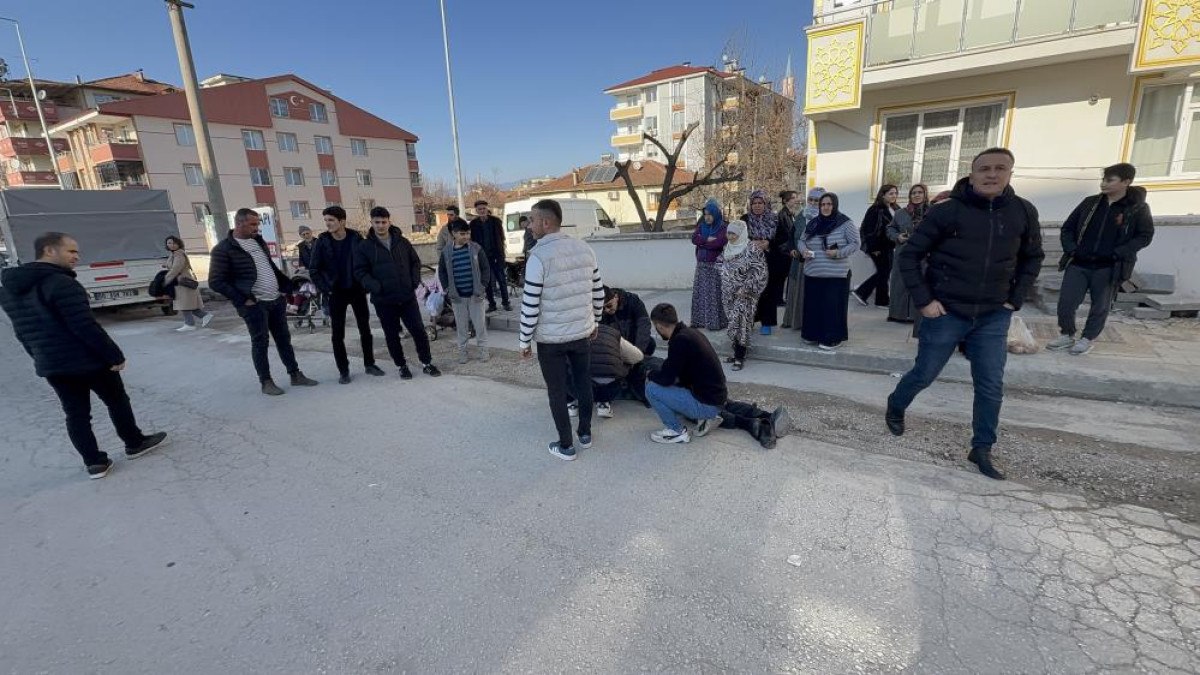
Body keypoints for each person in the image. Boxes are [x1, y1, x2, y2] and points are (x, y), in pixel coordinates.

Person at [887, 147, 1045, 481]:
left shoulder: (1022, 212)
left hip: (993, 314)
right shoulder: (947, 212)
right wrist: (925, 301)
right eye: (984, 168)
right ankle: (897, 404)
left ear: (1010, 174)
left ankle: (982, 447)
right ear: (971, 174)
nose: (992, 174)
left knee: (990, 384)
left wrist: (1014, 299)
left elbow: (1032, 258)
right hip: (946, 311)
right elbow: (909, 256)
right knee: (925, 373)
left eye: (1000, 168)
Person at [0, 232, 168, 479]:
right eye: (71, 251)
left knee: (76, 413)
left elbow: (22, 332)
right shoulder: (62, 283)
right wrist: (114, 356)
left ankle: (95, 463)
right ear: (49, 250)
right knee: (116, 400)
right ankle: (134, 443)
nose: (77, 257)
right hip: (88, 360)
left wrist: (39, 358)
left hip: (52, 364)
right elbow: (84, 326)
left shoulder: (9, 290)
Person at [519, 198, 605, 461]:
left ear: (546, 223)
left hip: (551, 340)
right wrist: (596, 322)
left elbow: (530, 303)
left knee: (556, 391)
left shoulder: (538, 257)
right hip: (581, 333)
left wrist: (524, 340)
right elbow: (598, 293)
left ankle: (566, 445)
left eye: (532, 220)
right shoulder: (585, 249)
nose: (529, 225)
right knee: (583, 383)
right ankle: (585, 434)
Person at [210, 208, 319, 395]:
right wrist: (243, 299)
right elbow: (216, 281)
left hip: (275, 300)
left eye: (258, 223)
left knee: (284, 339)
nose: (257, 227)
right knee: (260, 342)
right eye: (253, 224)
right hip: (254, 305)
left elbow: (269, 268)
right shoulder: (223, 249)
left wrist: (286, 287)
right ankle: (266, 382)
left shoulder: (258, 241)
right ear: (239, 223)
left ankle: (295, 374)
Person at [1049, 162, 1154, 356]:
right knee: (1066, 302)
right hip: (1079, 263)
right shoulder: (1090, 203)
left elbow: (1145, 236)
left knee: (1100, 306)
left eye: (1110, 180)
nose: (1104, 184)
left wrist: (1119, 252)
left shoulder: (1137, 208)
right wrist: (1072, 250)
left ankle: (1087, 338)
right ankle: (1067, 334)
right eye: (1103, 179)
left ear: (1126, 182)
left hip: (1109, 266)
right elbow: (1068, 228)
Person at [354, 206, 442, 379]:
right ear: (371, 223)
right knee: (392, 335)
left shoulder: (402, 242)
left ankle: (427, 363)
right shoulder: (364, 246)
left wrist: (413, 282)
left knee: (418, 331)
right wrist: (375, 286)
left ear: (389, 222)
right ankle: (402, 366)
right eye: (377, 222)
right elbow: (360, 271)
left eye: (383, 222)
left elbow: (415, 263)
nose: (380, 225)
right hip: (384, 300)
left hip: (407, 297)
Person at [308, 205, 384, 384]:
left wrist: (366, 285)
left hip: (356, 290)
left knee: (365, 329)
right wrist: (326, 288)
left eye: (331, 220)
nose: (328, 224)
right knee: (337, 334)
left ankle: (370, 364)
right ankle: (343, 370)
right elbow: (314, 269)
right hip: (336, 293)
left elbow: (367, 262)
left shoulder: (355, 238)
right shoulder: (322, 241)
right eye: (326, 220)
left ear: (342, 221)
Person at [797, 193, 860, 352]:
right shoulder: (813, 223)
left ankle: (833, 338)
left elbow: (855, 243)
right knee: (814, 306)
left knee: (832, 307)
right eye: (823, 204)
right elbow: (801, 240)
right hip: (813, 272)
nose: (825, 207)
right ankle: (813, 334)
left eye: (829, 204)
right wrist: (803, 251)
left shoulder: (845, 223)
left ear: (835, 205)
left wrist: (838, 253)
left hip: (836, 274)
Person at [437, 219, 491, 363]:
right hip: (458, 298)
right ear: (454, 234)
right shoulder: (446, 252)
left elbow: (486, 269)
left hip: (475, 296)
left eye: (468, 233)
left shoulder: (476, 248)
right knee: (461, 327)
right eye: (462, 234)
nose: (466, 237)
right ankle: (463, 352)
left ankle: (483, 351)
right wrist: (447, 289)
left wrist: (483, 286)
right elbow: (442, 271)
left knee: (480, 326)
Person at [719, 220, 768, 370]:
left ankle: (740, 356)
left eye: (733, 233)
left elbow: (760, 271)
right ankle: (737, 353)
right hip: (728, 293)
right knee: (732, 322)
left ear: (741, 233)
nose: (730, 236)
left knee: (741, 323)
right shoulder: (727, 248)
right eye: (729, 232)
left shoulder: (752, 248)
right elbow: (720, 264)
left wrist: (746, 288)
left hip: (744, 294)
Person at [782, 187, 825, 330]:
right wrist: (792, 249)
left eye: (817, 200)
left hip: (817, 263)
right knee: (797, 292)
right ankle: (795, 321)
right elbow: (791, 237)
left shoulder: (826, 218)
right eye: (810, 199)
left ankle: (811, 323)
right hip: (799, 262)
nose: (813, 203)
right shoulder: (801, 216)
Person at [854, 185, 901, 307]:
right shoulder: (875, 209)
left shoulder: (895, 208)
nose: (894, 196)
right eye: (890, 193)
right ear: (883, 194)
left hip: (889, 245)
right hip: (878, 247)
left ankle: (867, 294)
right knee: (884, 272)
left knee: (884, 272)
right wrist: (874, 248)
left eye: (895, 193)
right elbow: (869, 230)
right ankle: (871, 296)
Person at [741, 190, 780, 334]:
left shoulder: (774, 219)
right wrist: (752, 243)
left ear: (766, 203)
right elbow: (737, 238)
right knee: (750, 291)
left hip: (768, 260)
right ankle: (749, 321)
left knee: (767, 291)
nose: (757, 206)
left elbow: (782, 239)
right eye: (754, 203)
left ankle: (767, 323)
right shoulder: (744, 219)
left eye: (760, 203)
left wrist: (768, 243)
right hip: (750, 260)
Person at [588, 322, 644, 420]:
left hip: (584, 387)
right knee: (623, 364)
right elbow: (638, 356)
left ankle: (571, 404)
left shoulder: (576, 332)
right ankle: (603, 403)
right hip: (611, 385)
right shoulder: (613, 333)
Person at [887, 184, 926, 323]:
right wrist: (897, 237)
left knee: (920, 283)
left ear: (925, 194)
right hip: (903, 253)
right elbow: (890, 229)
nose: (916, 195)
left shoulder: (932, 212)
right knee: (900, 283)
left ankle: (918, 316)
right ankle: (898, 314)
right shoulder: (900, 213)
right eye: (913, 192)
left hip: (923, 255)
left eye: (920, 192)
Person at [690, 198, 728, 331]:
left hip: (714, 267)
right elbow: (694, 239)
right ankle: (699, 321)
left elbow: (719, 243)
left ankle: (715, 323)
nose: (707, 217)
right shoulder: (701, 227)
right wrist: (706, 239)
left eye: (709, 214)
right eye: (705, 214)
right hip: (701, 266)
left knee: (713, 294)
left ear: (716, 214)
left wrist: (703, 243)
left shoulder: (722, 227)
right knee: (700, 294)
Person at [164, 235, 211, 332]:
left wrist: (166, 279)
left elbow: (176, 269)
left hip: (184, 282)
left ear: (178, 244)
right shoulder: (173, 254)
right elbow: (172, 266)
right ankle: (204, 316)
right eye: (169, 243)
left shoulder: (179, 254)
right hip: (180, 282)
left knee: (184, 304)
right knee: (187, 304)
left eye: (173, 243)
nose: (171, 245)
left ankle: (190, 324)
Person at [470, 200, 511, 312]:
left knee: (501, 280)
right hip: (482, 257)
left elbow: (501, 238)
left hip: (496, 255)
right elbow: (472, 241)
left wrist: (502, 255)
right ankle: (492, 304)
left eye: (484, 208)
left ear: (487, 209)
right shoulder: (473, 224)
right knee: (486, 282)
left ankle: (506, 303)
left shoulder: (496, 221)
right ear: (476, 211)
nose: (482, 211)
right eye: (480, 209)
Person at [600, 286, 655, 357]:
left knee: (650, 343)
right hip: (616, 346)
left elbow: (644, 325)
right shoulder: (599, 312)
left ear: (616, 297)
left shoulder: (633, 301)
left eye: (609, 306)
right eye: (603, 308)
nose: (606, 310)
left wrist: (638, 353)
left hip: (634, 342)